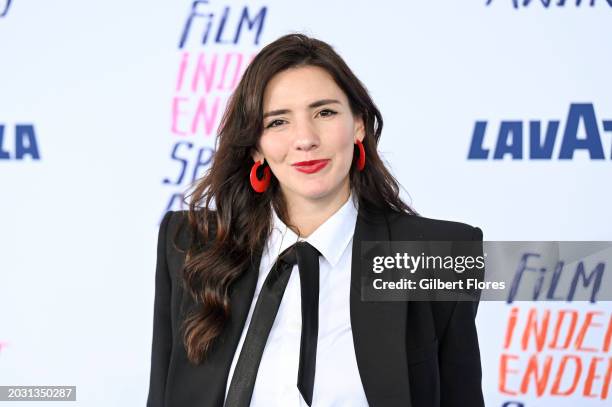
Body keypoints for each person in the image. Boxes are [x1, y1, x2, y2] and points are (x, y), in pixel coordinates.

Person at [146, 33, 485, 407]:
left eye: (324, 112)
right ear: (256, 146)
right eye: (277, 122)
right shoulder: (189, 244)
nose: (305, 139)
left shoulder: (437, 254)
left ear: (358, 124)